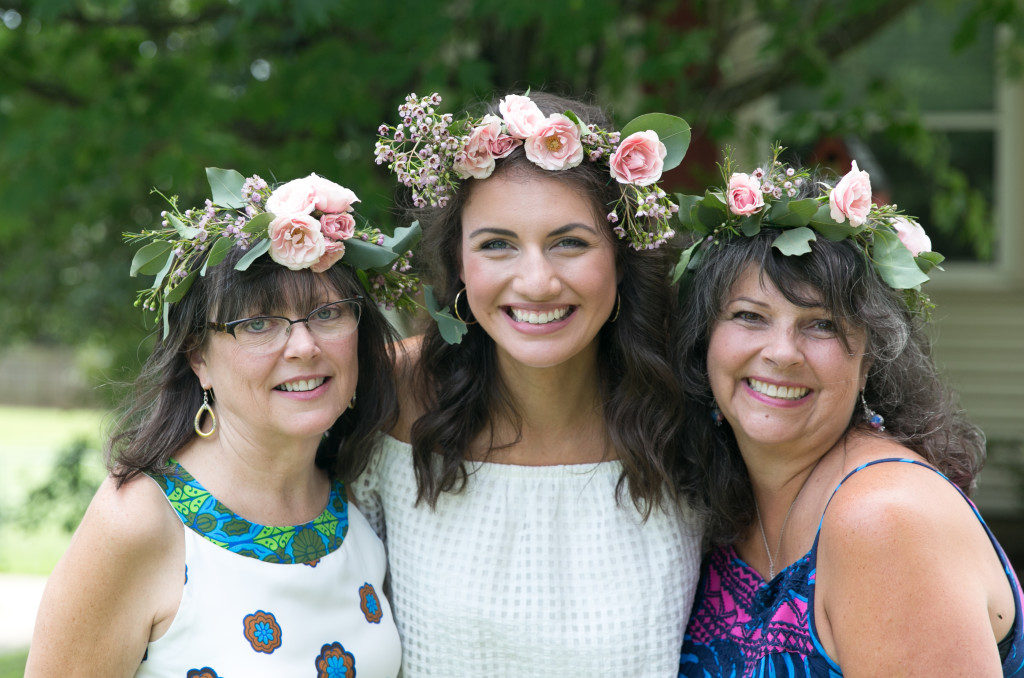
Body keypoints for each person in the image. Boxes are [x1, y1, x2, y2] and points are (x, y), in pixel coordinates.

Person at [354, 90, 704, 677]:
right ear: (458, 264)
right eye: (497, 245)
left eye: (570, 242)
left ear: (620, 257)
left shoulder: (687, 407)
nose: (537, 282)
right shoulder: (393, 394)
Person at [25, 170, 415, 677]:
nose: (303, 346)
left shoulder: (358, 499)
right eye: (257, 323)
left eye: (328, 313)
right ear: (198, 358)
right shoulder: (141, 523)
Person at [673, 148, 1023, 676]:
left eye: (821, 325)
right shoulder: (722, 500)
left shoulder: (885, 521)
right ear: (704, 342)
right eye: (749, 316)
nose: (782, 352)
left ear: (870, 360)